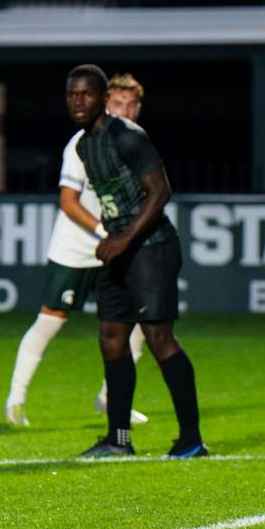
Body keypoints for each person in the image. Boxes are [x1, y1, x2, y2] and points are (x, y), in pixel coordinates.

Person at [65, 65, 206, 460]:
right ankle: (119, 440)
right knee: (111, 339)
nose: (78, 102)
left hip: (152, 248)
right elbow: (115, 201)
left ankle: (191, 439)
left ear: (103, 99)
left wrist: (124, 237)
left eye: (86, 95)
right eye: (72, 95)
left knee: (160, 340)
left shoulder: (127, 137)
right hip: (121, 250)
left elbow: (160, 192)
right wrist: (111, 236)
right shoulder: (82, 146)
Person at [4, 77, 149, 427]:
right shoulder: (82, 144)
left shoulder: (136, 143)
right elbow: (68, 203)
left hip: (114, 249)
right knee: (50, 322)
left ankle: (111, 398)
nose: (124, 111)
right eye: (117, 104)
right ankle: (16, 400)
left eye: (131, 105)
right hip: (76, 247)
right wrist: (104, 233)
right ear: (104, 104)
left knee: (138, 323)